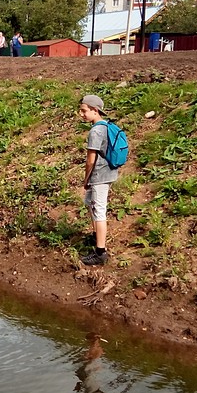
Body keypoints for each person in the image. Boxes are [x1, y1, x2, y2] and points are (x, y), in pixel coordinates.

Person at [79, 94, 118, 266]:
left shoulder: (95, 131)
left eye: (84, 111)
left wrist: (86, 179)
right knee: (89, 202)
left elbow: (90, 160)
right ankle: (96, 236)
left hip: (99, 176)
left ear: (95, 111)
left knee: (99, 210)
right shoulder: (108, 126)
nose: (81, 114)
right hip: (108, 173)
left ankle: (100, 252)